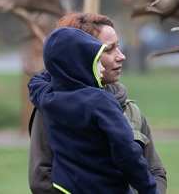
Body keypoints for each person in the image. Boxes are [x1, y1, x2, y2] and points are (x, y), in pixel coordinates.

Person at [28, 13, 167, 194]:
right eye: (108, 50)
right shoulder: (52, 108)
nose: (121, 56)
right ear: (80, 57)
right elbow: (41, 181)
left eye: (118, 46)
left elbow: (155, 171)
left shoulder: (130, 109)